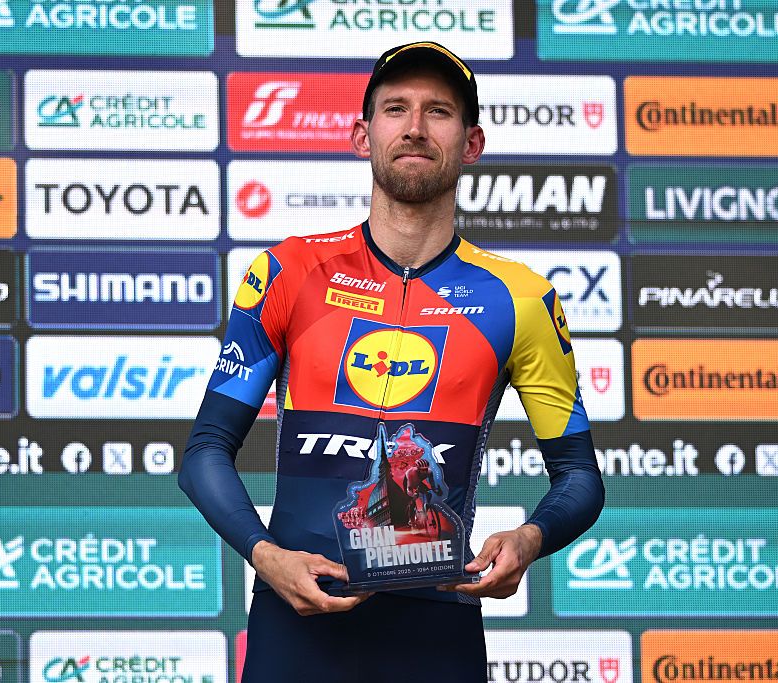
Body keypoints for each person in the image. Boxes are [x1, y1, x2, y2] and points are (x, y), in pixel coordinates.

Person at [179, 41, 605, 682]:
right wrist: (266, 556)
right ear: (361, 135)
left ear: (471, 144)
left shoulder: (519, 296)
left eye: (439, 112)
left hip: (437, 631)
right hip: (295, 626)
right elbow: (205, 451)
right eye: (395, 108)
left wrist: (528, 540)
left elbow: (579, 478)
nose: (413, 127)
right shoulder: (289, 271)